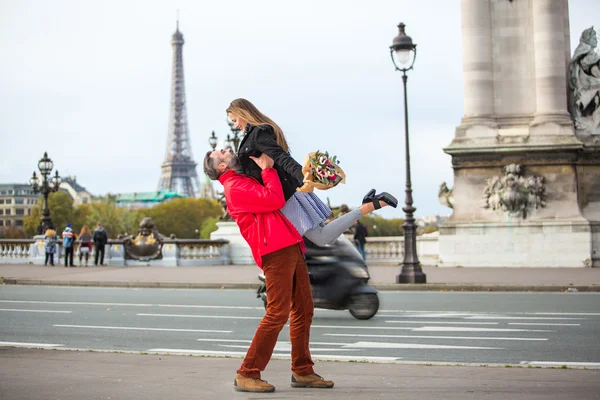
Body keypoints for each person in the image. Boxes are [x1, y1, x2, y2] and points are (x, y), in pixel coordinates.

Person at [203, 149, 334, 393]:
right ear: (221, 166)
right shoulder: (235, 186)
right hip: (274, 249)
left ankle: (303, 370)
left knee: (304, 310)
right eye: (222, 151)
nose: (228, 150)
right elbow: (274, 199)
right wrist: (267, 168)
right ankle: (247, 372)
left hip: (289, 245)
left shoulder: (241, 180)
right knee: (277, 313)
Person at [226, 98, 397, 245]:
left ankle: (368, 206)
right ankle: (367, 205)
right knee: (325, 237)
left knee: (321, 238)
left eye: (235, 120)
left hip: (287, 195)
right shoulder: (256, 134)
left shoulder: (258, 134)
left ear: (243, 113)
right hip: (291, 191)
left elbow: (282, 158)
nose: (235, 125)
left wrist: (305, 177)